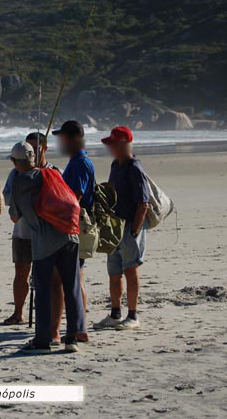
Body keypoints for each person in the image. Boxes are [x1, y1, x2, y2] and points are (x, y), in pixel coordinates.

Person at [8, 141, 86, 353]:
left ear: (15, 162)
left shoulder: (20, 181)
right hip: (70, 234)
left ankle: (43, 341)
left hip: (45, 240)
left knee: (43, 289)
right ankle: (72, 338)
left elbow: (15, 216)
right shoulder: (52, 174)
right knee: (72, 286)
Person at [94, 126, 150, 330]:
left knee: (130, 270)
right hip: (114, 227)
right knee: (114, 272)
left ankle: (133, 315)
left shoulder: (134, 167)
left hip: (129, 226)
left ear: (123, 144)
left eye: (113, 144)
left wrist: (134, 230)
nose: (110, 148)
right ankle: (115, 313)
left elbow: (143, 202)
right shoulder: (115, 165)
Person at [1, 132, 58, 325]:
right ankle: (18, 313)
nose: (32, 152)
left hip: (47, 233)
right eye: (30, 149)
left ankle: (49, 316)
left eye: (36, 149)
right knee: (21, 272)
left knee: (48, 276)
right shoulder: (16, 173)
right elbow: (6, 197)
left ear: (45, 149)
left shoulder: (53, 171)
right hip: (23, 231)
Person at [51, 120, 95, 343]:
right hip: (74, 225)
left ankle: (71, 329)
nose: (61, 143)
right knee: (76, 277)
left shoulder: (80, 164)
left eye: (64, 139)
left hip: (74, 226)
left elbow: (74, 198)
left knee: (64, 279)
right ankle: (79, 328)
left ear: (74, 139)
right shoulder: (76, 162)